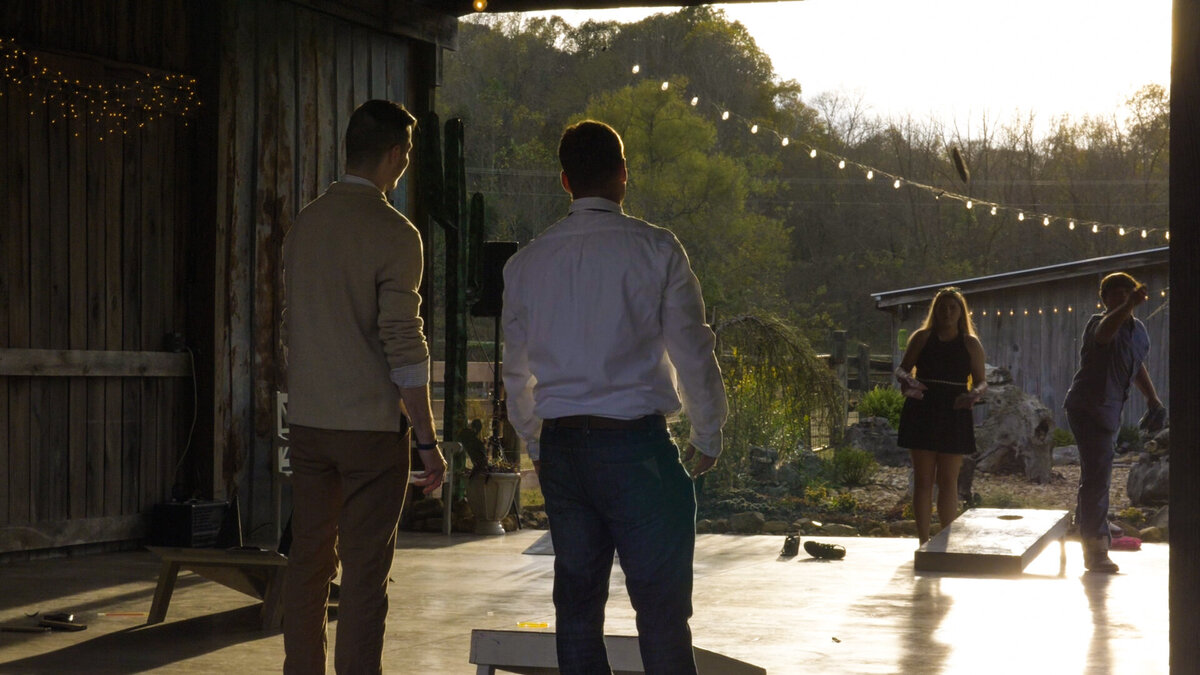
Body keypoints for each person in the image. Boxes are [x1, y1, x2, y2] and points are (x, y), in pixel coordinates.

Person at [502, 120, 728, 675]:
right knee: (661, 613)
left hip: (563, 449)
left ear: (564, 181)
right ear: (623, 174)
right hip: (634, 447)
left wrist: (535, 441)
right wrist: (708, 430)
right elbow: (692, 347)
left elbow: (516, 371)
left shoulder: (526, 263)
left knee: (577, 611)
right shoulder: (656, 249)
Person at [281, 99, 446, 674]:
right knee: (364, 574)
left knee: (308, 564)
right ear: (397, 155)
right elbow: (402, 342)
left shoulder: (305, 225)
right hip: (371, 430)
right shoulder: (395, 233)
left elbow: (293, 324)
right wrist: (426, 439)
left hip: (308, 422)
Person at [1064, 272, 1164, 573]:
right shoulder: (1099, 322)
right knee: (1098, 477)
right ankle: (1095, 549)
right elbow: (1105, 335)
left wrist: (1152, 398)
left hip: (1110, 409)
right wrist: (1128, 305)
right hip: (1087, 407)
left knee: (1095, 474)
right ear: (1104, 299)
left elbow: (1136, 365)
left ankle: (1086, 526)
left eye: (1127, 292)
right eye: (1116, 293)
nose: (1122, 297)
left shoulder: (1139, 331)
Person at [895, 287, 988, 545]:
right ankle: (923, 540)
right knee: (923, 480)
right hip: (923, 407)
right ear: (934, 311)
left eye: (952, 308)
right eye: (942, 307)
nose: (947, 312)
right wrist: (908, 382)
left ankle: (946, 542)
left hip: (954, 409)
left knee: (949, 481)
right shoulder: (922, 337)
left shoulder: (970, 343)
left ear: (961, 312)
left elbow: (981, 381)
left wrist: (974, 394)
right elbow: (902, 370)